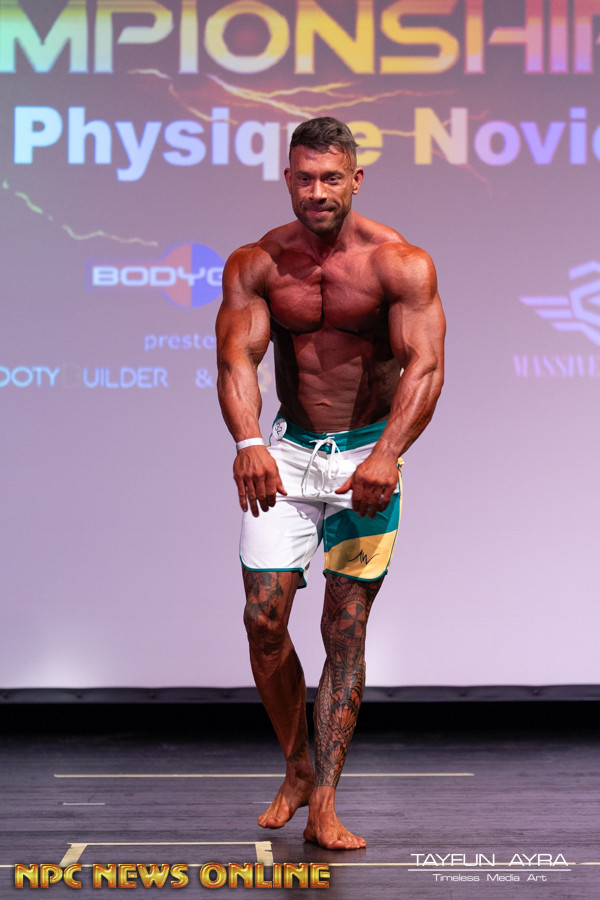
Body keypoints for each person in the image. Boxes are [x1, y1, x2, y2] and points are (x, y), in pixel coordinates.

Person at [216, 117, 445, 851]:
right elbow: (236, 362)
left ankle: (325, 802)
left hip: (366, 458)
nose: (317, 192)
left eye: (331, 178)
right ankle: (296, 767)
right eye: (305, 178)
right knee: (263, 619)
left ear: (356, 179)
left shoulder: (399, 264)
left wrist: (387, 453)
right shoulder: (257, 263)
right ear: (288, 179)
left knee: (344, 627)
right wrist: (249, 441)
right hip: (287, 452)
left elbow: (426, 367)